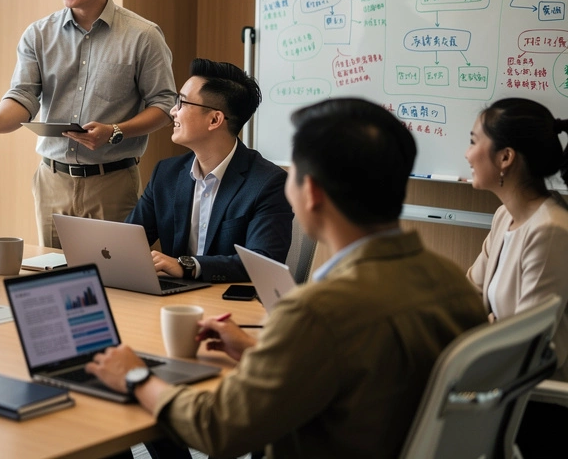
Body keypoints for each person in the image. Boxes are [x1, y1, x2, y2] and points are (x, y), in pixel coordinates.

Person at [84, 98, 487, 459]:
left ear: (310, 192)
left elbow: (218, 429)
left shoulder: (319, 312)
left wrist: (135, 375)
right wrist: (261, 353)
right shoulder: (453, 283)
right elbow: (356, 370)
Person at [0, 0, 177, 248]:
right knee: (54, 280)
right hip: (52, 182)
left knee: (116, 284)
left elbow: (165, 107)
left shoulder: (143, 35)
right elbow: (22, 98)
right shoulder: (38, 35)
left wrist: (115, 131)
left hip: (112, 182)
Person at [464, 98, 568, 458]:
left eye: (474, 141)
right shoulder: (504, 217)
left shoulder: (551, 230)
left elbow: (531, 343)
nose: (467, 153)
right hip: (500, 384)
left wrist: (486, 324)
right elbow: (469, 292)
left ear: (506, 157)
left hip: (535, 403)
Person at [126, 58, 292, 283]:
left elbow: (263, 261)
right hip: (172, 300)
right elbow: (127, 241)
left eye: (182, 103)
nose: (173, 111)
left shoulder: (268, 183)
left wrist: (188, 266)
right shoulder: (166, 174)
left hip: (228, 304)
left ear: (215, 119)